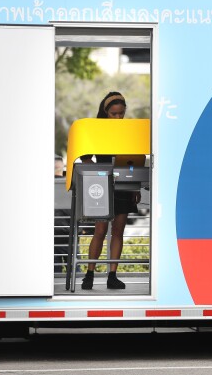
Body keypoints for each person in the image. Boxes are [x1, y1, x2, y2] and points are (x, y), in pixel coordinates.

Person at [80, 92, 140, 290]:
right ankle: (89, 274)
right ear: (105, 112)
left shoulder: (129, 130)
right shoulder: (96, 129)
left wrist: (135, 185)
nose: (118, 117)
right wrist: (98, 174)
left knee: (119, 230)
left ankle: (112, 275)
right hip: (102, 184)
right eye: (114, 114)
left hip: (124, 184)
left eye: (121, 113)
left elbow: (134, 160)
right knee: (100, 230)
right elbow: (86, 157)